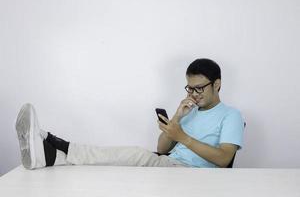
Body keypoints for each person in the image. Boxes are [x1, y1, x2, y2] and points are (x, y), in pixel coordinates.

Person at [15, 58, 245, 169]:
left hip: (192, 174)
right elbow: (163, 149)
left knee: (133, 154)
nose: (194, 94)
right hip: (168, 164)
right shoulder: (190, 111)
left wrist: (182, 136)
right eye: (189, 88)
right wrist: (176, 118)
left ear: (217, 84)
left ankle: (56, 145)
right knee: (120, 160)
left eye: (199, 88)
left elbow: (225, 159)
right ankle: (51, 155)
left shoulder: (231, 115)